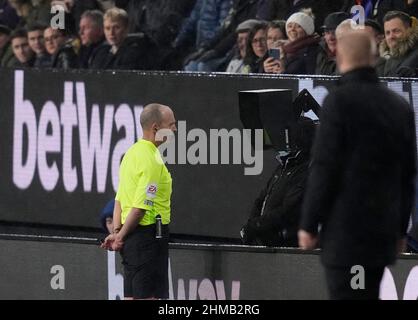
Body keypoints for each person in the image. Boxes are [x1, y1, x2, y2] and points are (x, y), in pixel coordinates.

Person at [298, 30, 417, 300]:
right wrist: (400, 230)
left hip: (346, 234)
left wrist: (308, 222)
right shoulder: (399, 106)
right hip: (381, 235)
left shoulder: (338, 103)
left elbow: (324, 166)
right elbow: (407, 176)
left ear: (339, 57)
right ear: (375, 57)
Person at [101, 103, 176, 300]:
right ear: (156, 129)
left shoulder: (131, 154)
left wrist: (118, 233)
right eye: (172, 125)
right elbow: (141, 208)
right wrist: (120, 237)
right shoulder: (151, 160)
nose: (175, 129)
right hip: (148, 238)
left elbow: (119, 200)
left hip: (132, 241)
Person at [240, 117, 315, 247]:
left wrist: (256, 226)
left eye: (288, 135)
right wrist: (253, 227)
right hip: (265, 245)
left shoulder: (307, 170)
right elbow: (261, 200)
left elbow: (288, 211)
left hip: (286, 249)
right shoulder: (283, 167)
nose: (282, 140)